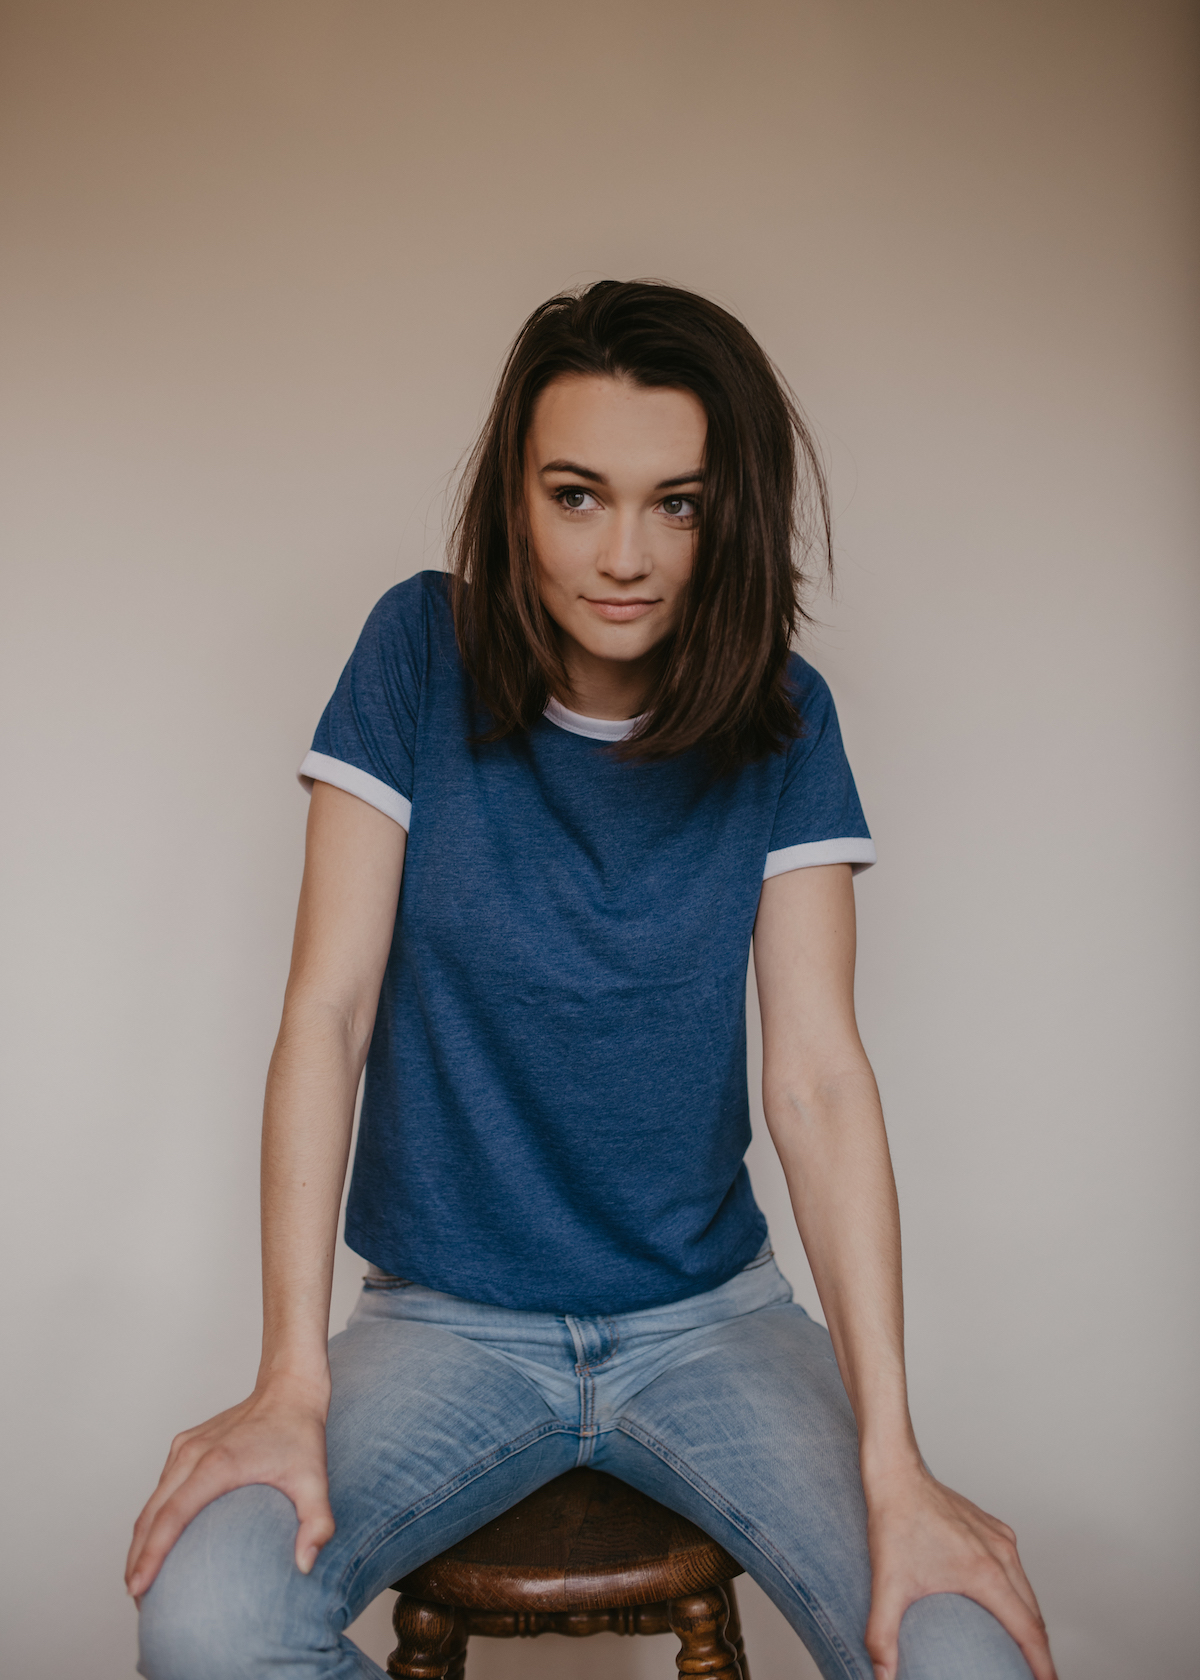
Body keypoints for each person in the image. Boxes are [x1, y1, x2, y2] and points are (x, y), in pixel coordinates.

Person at [127, 280, 1055, 1680]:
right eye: (577, 496)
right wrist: (287, 1378)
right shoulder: (413, 652)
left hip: (712, 1325)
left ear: (733, 515)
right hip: (444, 1324)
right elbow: (329, 1010)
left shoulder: (787, 720)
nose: (625, 555)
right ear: (514, 500)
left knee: (966, 1657)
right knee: (206, 1622)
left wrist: (896, 1462)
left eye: (678, 504)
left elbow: (816, 1079)